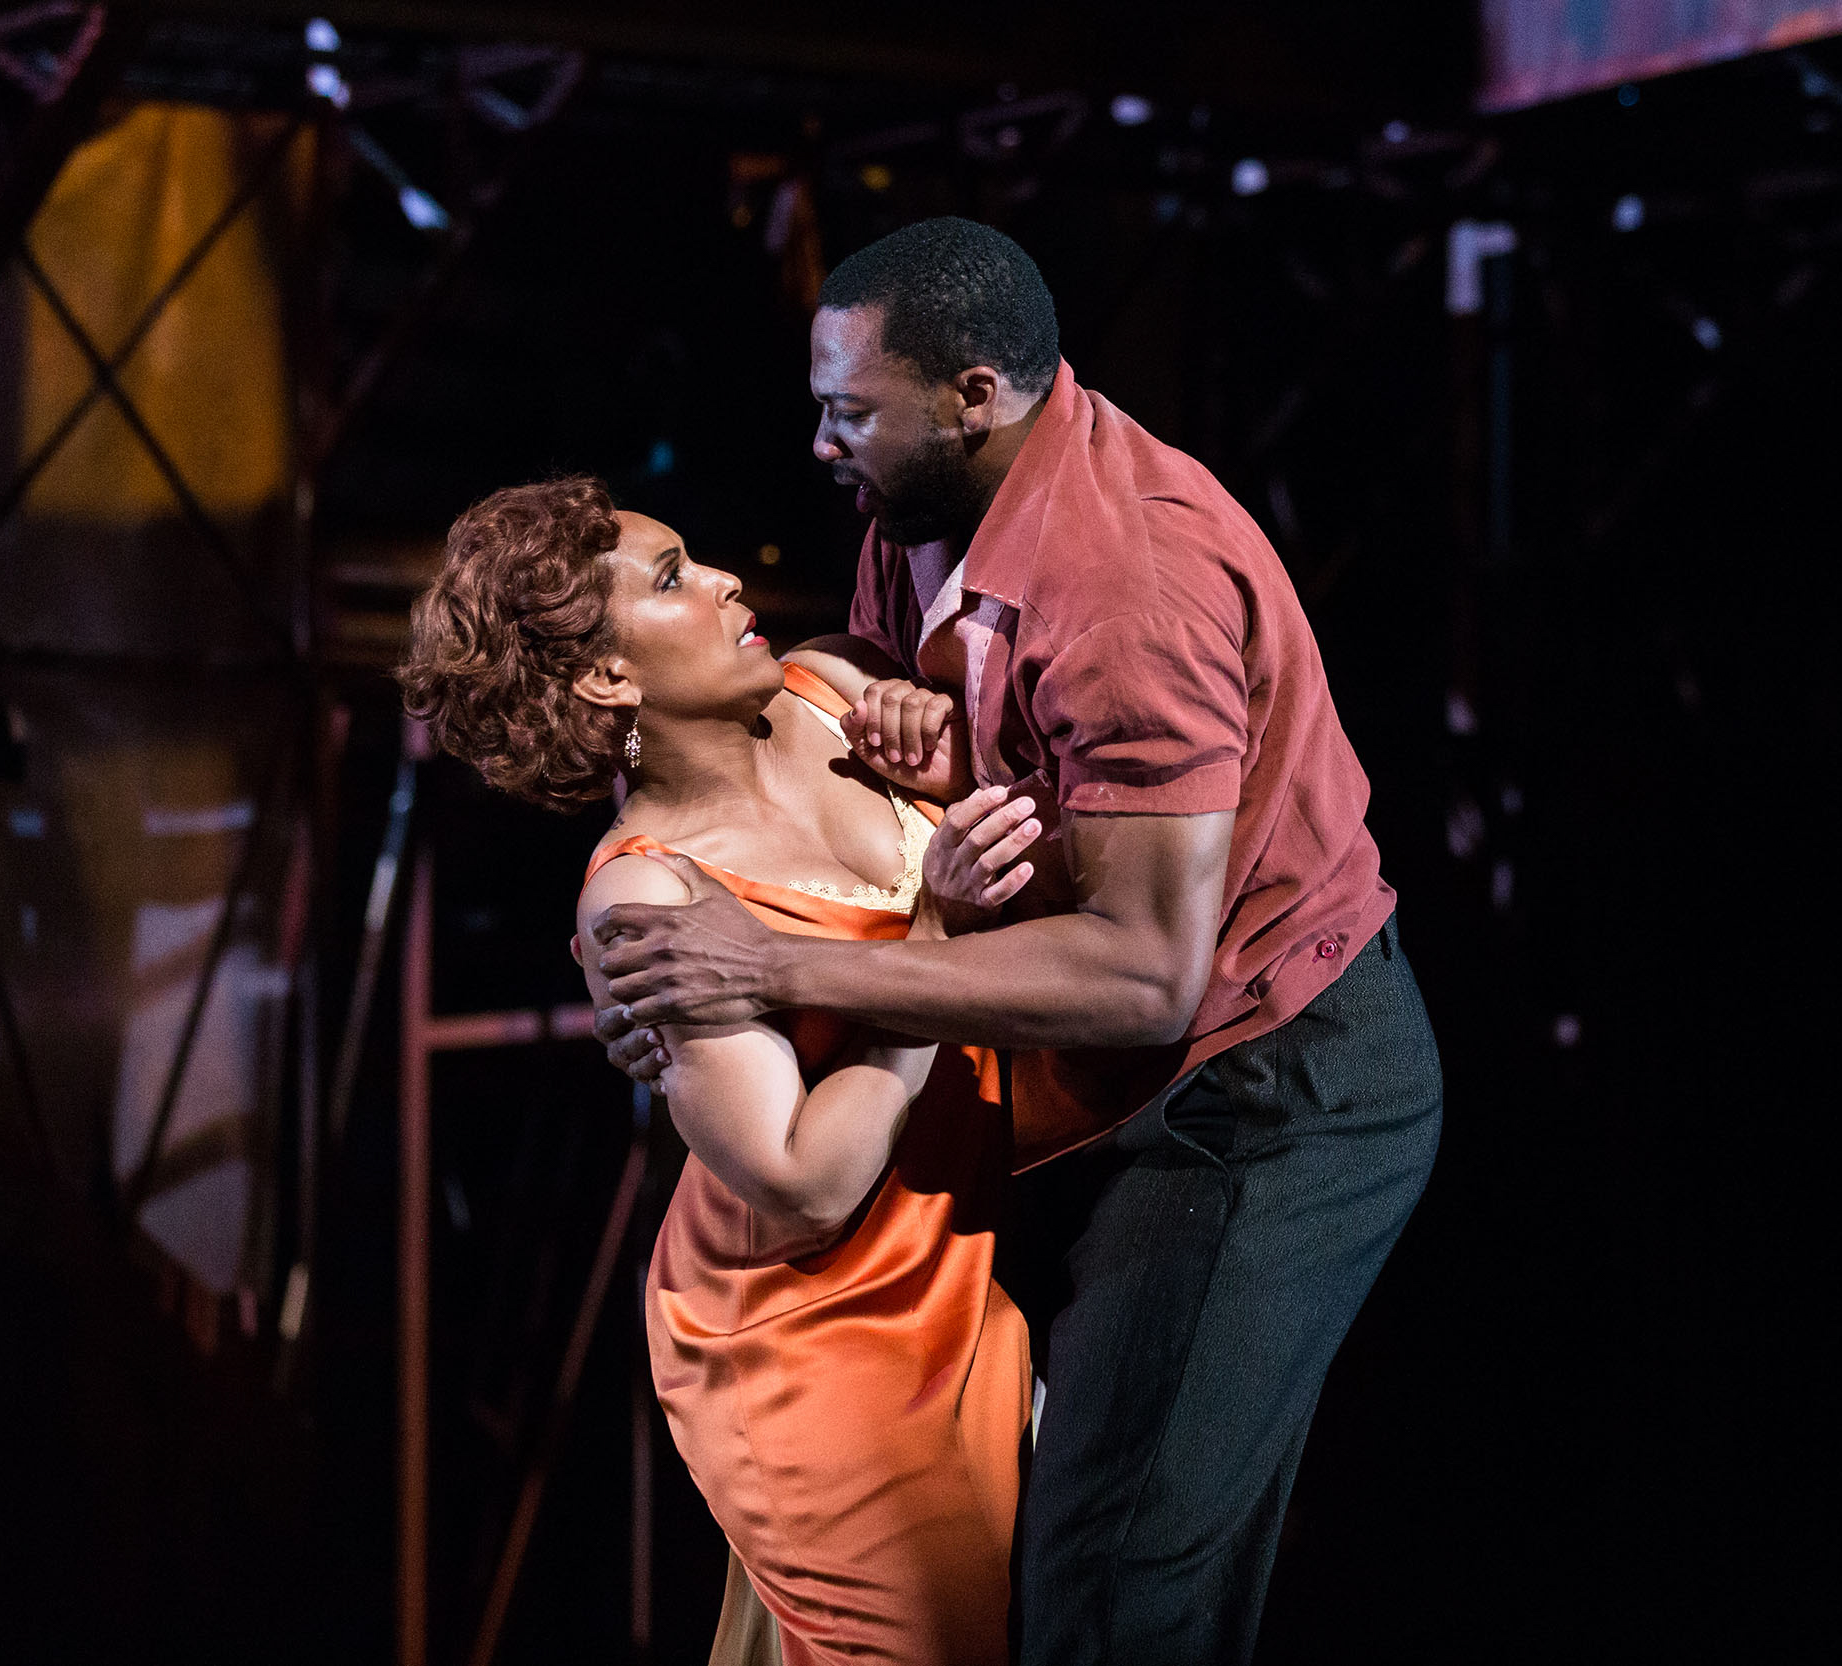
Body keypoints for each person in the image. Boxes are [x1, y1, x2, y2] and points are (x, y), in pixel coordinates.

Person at [589, 217, 1445, 1663]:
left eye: (851, 410)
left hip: (1254, 1090)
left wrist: (775, 969)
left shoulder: (1129, 583)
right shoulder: (915, 520)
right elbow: (814, 809)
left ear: (975, 394)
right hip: (1048, 1112)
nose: (819, 444)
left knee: (1116, 1589)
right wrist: (880, 723)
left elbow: (1141, 971)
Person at [397, 475, 1056, 1665]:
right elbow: (802, 1183)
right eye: (671, 578)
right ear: (607, 677)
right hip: (803, 1334)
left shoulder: (829, 690)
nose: (724, 580)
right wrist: (933, 944)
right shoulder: (644, 891)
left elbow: (1031, 831)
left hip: (959, 1270)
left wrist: (943, 742)